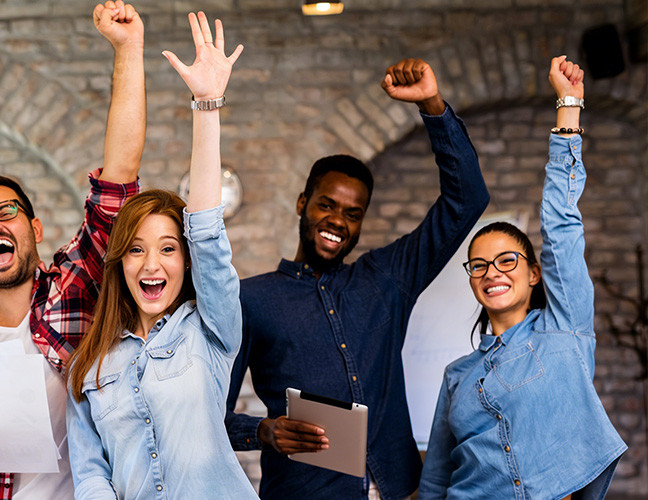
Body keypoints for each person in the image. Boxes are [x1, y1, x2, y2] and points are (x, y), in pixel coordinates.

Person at [225, 58, 491, 499]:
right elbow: (209, 418)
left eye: (353, 213)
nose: (337, 221)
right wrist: (263, 431)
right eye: (326, 205)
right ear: (302, 203)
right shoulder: (250, 299)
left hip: (399, 489)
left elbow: (467, 201)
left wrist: (432, 105)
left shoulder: (387, 278)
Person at [0, 2, 144, 498]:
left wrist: (128, 49)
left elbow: (120, 174)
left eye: (5, 211)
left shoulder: (77, 282)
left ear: (35, 228)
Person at [417, 56, 626, 500]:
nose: (492, 272)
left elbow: (561, 226)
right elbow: (435, 479)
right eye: (479, 265)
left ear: (534, 273)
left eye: (507, 260)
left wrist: (568, 106)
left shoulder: (563, 330)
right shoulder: (457, 375)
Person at [66, 12, 256, 500]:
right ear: (120, 264)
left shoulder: (210, 331)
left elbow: (207, 232)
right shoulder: (89, 365)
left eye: (168, 248)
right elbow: (90, 473)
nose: (151, 264)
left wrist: (206, 105)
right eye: (136, 249)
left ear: (186, 261)